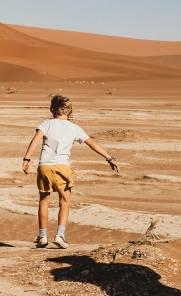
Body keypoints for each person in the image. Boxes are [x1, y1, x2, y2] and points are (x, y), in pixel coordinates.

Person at [22, 95, 120, 249]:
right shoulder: (74, 128)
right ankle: (60, 235)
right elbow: (92, 144)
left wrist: (27, 159)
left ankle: (42, 236)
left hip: (44, 167)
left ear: (52, 109)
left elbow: (35, 140)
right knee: (65, 202)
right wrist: (109, 158)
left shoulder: (46, 124)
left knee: (43, 200)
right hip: (62, 167)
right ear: (70, 111)